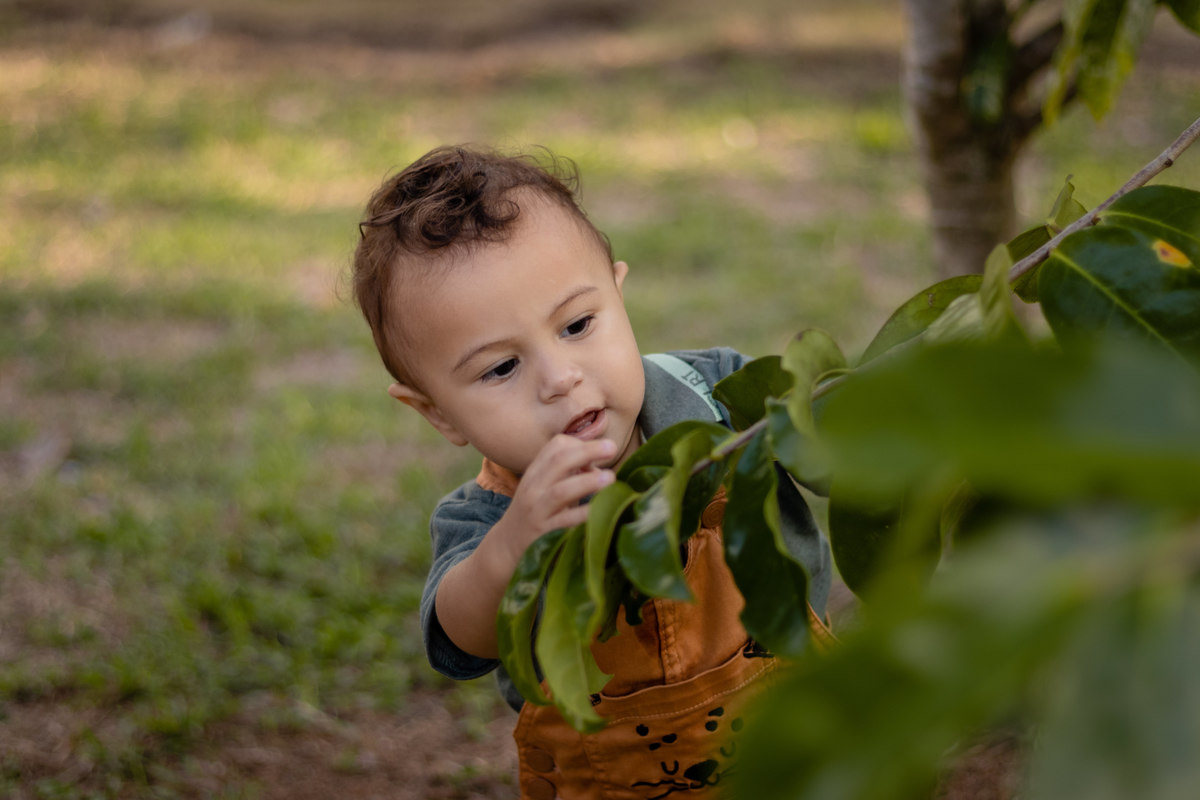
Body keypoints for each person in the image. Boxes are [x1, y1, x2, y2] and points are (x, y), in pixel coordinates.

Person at [351, 145, 834, 799]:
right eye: (500, 368)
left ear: (618, 292)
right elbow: (459, 639)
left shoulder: (721, 393)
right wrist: (515, 544)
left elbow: (834, 448)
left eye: (577, 325)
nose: (560, 378)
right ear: (438, 414)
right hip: (617, 778)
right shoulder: (489, 516)